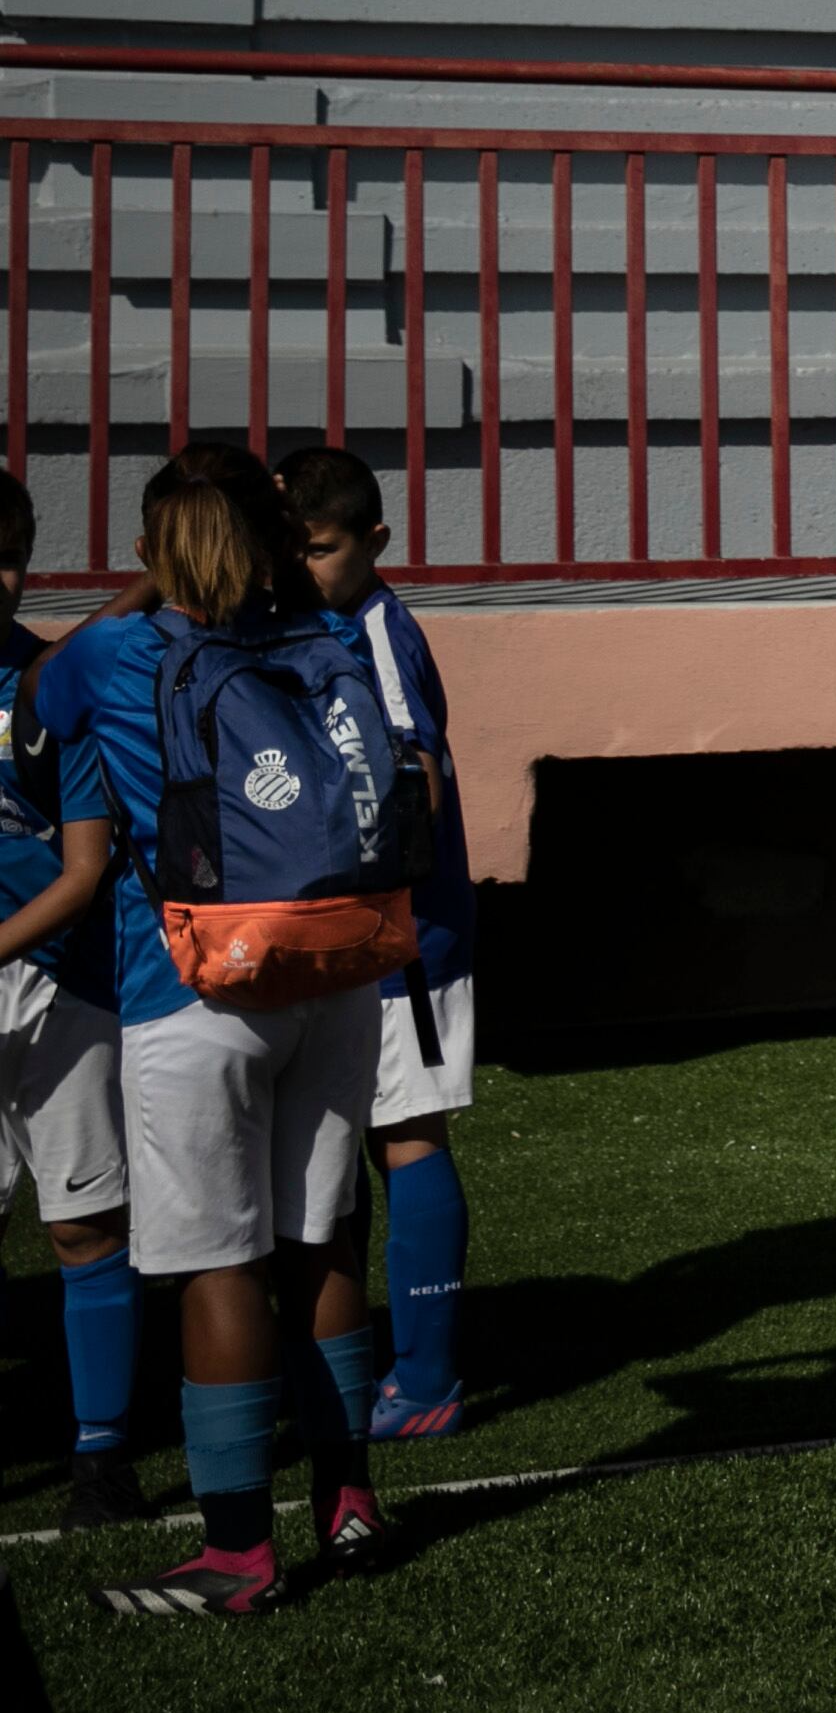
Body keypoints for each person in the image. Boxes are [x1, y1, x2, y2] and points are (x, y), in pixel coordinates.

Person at [43, 453, 412, 1620]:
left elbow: (45, 694)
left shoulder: (119, 650)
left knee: (217, 1262)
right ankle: (348, 1497)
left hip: (193, 992)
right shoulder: (324, 636)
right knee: (324, 1239)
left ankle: (239, 1554)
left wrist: (145, 586)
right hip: (338, 965)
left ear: (157, 547)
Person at [272, 451, 482, 1441]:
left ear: (375, 544)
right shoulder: (306, 621)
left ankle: (430, 1376)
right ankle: (345, 1363)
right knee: (329, 1148)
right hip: (337, 937)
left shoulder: (379, 632)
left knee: (410, 1133)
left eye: (321, 549)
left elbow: (416, 787)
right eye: (294, 548)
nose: (304, 566)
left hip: (406, 940)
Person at [0, 464, 141, 1526]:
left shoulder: (55, 688)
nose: (7, 574)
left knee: (84, 1225)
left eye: (17, 549)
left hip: (60, 982)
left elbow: (84, 870)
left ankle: (102, 1456)